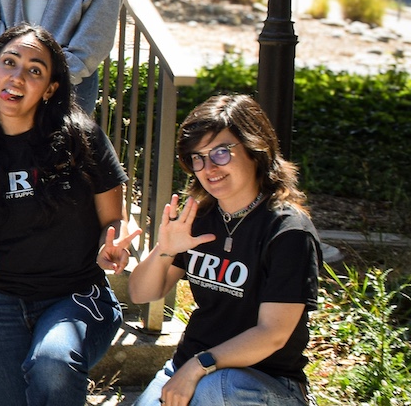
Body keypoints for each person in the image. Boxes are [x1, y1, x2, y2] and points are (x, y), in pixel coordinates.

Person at [0, 23, 135, 406]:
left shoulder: (82, 137)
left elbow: (114, 220)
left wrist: (111, 246)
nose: (17, 77)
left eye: (35, 70)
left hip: (77, 295)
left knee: (52, 362)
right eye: (8, 62)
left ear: (50, 89)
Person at [128, 95, 319, 406]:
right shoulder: (200, 218)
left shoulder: (287, 231)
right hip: (190, 367)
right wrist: (165, 251)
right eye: (197, 158)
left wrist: (197, 366)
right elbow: (140, 293)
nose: (207, 168)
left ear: (256, 149)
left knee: (217, 388)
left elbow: (273, 333)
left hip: (265, 382)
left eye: (220, 152)